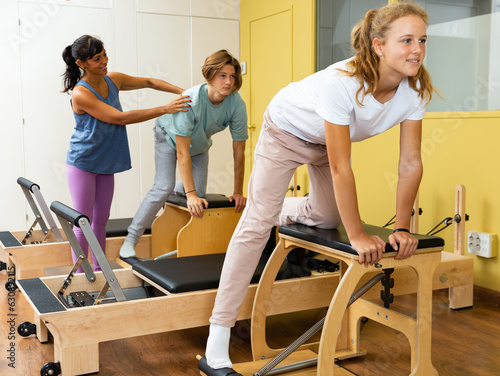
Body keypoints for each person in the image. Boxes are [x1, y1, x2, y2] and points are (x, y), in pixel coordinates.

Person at [203, 2, 437, 373]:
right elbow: (343, 167)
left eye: (422, 40)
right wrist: (357, 234)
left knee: (326, 216)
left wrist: (403, 227)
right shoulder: (342, 82)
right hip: (285, 130)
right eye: (406, 40)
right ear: (378, 45)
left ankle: (272, 208)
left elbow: (410, 162)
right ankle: (218, 332)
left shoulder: (415, 91)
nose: (417, 49)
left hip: (326, 144)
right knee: (256, 223)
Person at [62, 35, 190, 272]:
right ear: (82, 63)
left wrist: (183, 92)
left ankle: (101, 272)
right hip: (83, 163)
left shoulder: (113, 79)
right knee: (83, 221)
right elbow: (119, 118)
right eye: (97, 59)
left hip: (106, 162)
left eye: (105, 55)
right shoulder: (81, 93)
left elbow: (150, 82)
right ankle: (80, 275)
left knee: (101, 221)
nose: (104, 61)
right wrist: (165, 108)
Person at [119, 49, 248, 259]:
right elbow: (181, 152)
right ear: (209, 75)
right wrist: (190, 194)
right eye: (222, 75)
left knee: (200, 194)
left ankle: (174, 189)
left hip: (199, 145)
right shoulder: (190, 100)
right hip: (168, 137)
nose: (228, 81)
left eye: (232, 76)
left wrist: (238, 191)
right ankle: (131, 239)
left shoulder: (236, 105)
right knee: (163, 187)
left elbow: (239, 151)